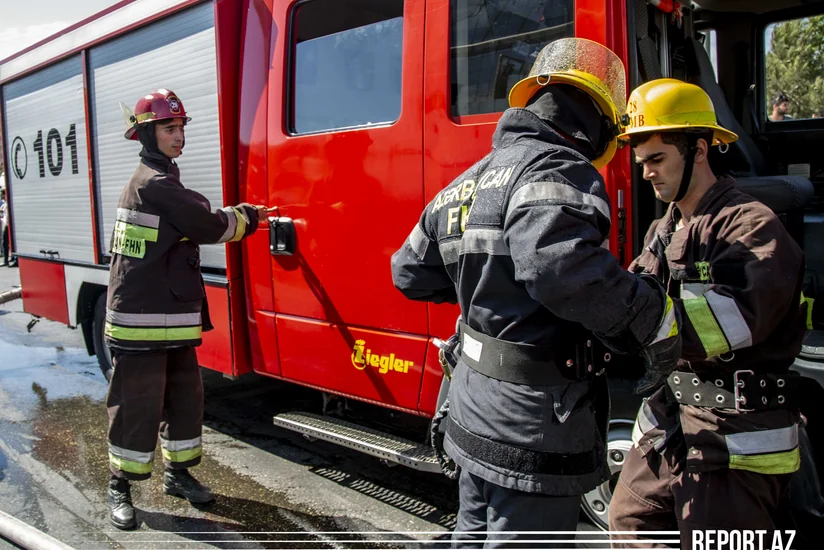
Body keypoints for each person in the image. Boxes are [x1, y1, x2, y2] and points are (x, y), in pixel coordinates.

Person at [391, 38, 682, 547]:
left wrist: (485, 286)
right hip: (532, 422)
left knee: (471, 535)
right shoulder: (561, 168)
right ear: (598, 121)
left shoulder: (465, 183)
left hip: (471, 407)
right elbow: (561, 270)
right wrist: (653, 320)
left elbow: (409, 273)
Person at [609, 79, 807, 546]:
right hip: (670, 422)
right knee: (631, 523)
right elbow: (636, 298)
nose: (646, 174)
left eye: (657, 159)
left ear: (698, 150)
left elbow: (727, 323)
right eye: (642, 162)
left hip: (734, 435)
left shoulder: (751, 227)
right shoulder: (665, 227)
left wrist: (634, 314)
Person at [106, 89, 273, 530]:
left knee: (185, 400)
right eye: (169, 128)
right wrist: (250, 217)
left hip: (169, 315)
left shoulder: (163, 178)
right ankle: (119, 486)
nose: (179, 136)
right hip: (141, 320)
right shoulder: (153, 184)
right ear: (147, 134)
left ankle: (178, 475)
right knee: (136, 407)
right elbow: (208, 224)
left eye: (181, 127)